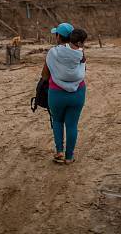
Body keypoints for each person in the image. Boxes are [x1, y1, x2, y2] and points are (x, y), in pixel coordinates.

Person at [41, 23, 88, 164]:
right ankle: (69, 157)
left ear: (58, 36)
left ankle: (59, 151)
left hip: (56, 94)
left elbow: (44, 75)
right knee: (72, 125)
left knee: (57, 121)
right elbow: (83, 71)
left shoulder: (53, 53)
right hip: (77, 93)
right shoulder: (80, 53)